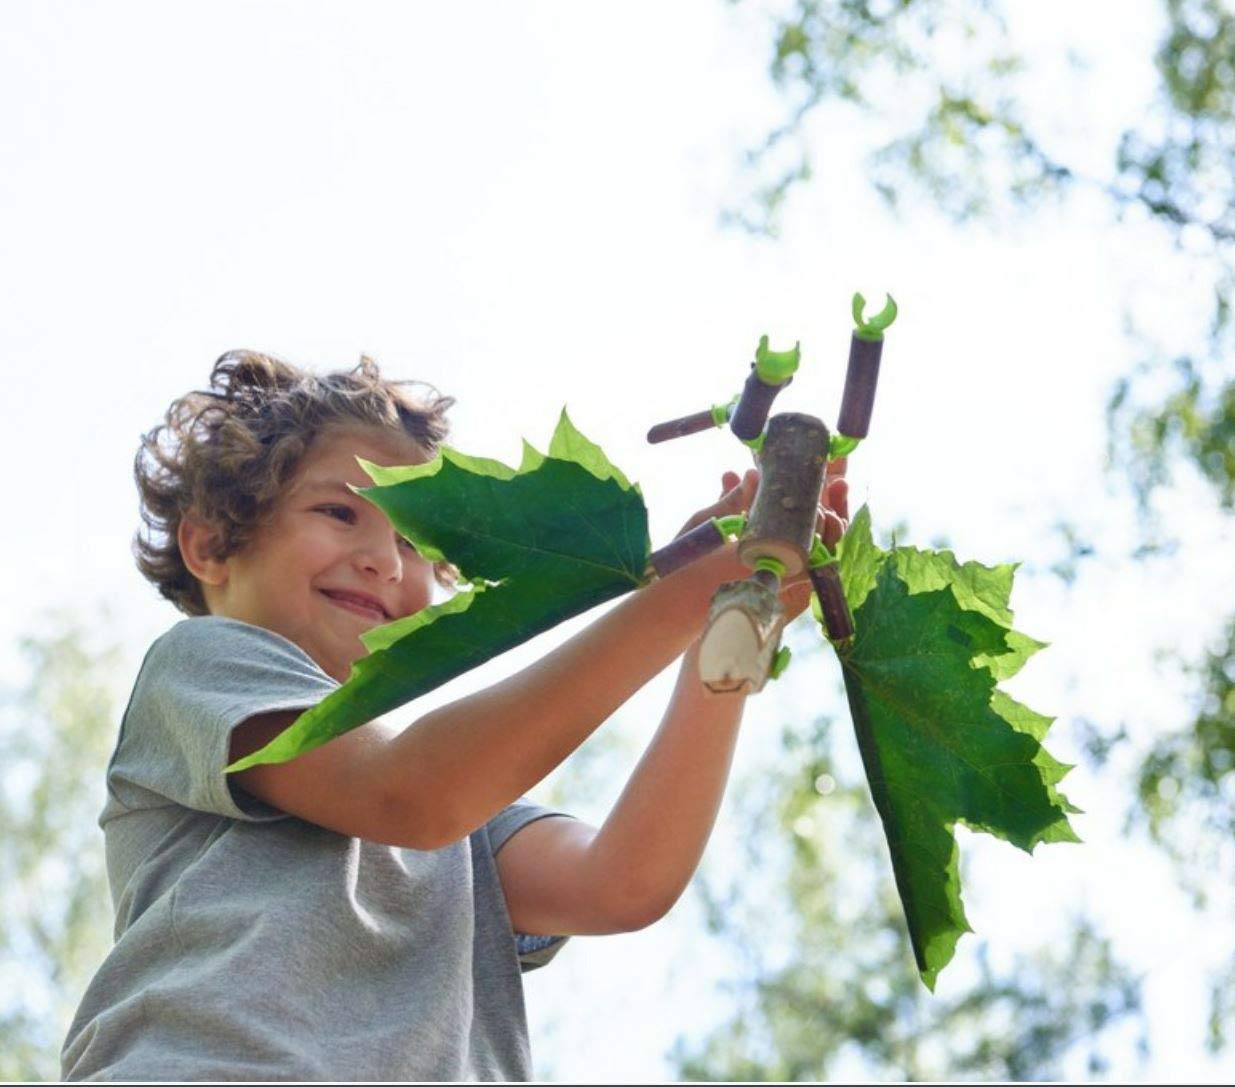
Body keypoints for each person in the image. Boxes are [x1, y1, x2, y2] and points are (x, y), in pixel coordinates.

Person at [61, 349, 849, 1081]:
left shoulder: (466, 826)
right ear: (208, 546)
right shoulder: (205, 664)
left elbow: (624, 879)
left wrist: (724, 627)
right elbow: (410, 792)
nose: (383, 558)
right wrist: (677, 592)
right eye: (339, 513)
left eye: (415, 539)